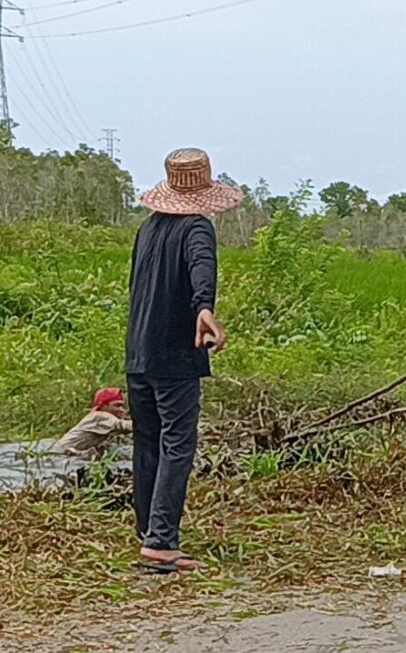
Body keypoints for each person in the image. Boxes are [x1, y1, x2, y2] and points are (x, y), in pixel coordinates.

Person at [127, 148, 240, 573]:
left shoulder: (148, 229)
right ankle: (160, 543)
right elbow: (201, 267)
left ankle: (148, 530)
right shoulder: (197, 228)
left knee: (148, 440)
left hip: (138, 352)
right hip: (173, 355)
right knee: (177, 443)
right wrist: (204, 308)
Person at [52, 388, 133, 457]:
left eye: (122, 406)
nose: (121, 410)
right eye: (117, 405)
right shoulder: (99, 416)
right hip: (61, 453)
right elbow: (126, 426)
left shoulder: (101, 419)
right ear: (103, 406)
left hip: (64, 453)